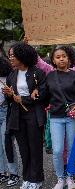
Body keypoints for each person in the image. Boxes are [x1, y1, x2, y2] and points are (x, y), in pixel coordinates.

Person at [3, 42, 47, 189]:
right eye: (9, 55)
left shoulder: (37, 73)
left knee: (35, 148)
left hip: (34, 114)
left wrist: (24, 99)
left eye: (13, 55)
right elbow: (11, 99)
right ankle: (27, 178)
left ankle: (37, 179)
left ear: (23, 55)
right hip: (17, 115)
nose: (10, 58)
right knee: (23, 149)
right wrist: (9, 95)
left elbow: (43, 94)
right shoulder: (12, 75)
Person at [46, 46, 75, 189]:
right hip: (56, 117)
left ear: (68, 58)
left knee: (72, 148)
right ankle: (60, 178)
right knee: (57, 150)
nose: (61, 58)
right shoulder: (49, 76)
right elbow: (45, 94)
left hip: (72, 117)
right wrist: (36, 90)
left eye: (64, 56)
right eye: (58, 57)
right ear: (54, 61)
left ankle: (70, 177)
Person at [0, 57, 20, 187]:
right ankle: (2, 172)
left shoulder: (9, 76)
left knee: (6, 142)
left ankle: (14, 173)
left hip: (6, 111)